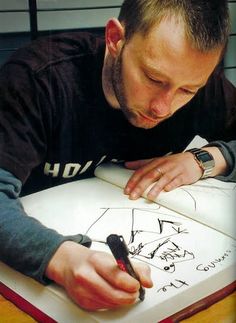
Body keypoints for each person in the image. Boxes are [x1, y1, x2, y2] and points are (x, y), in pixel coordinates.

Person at [0, 0, 235, 312]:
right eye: (153, 79)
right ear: (114, 39)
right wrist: (60, 258)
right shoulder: (38, 79)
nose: (162, 108)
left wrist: (207, 159)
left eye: (187, 91)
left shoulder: (197, 82)